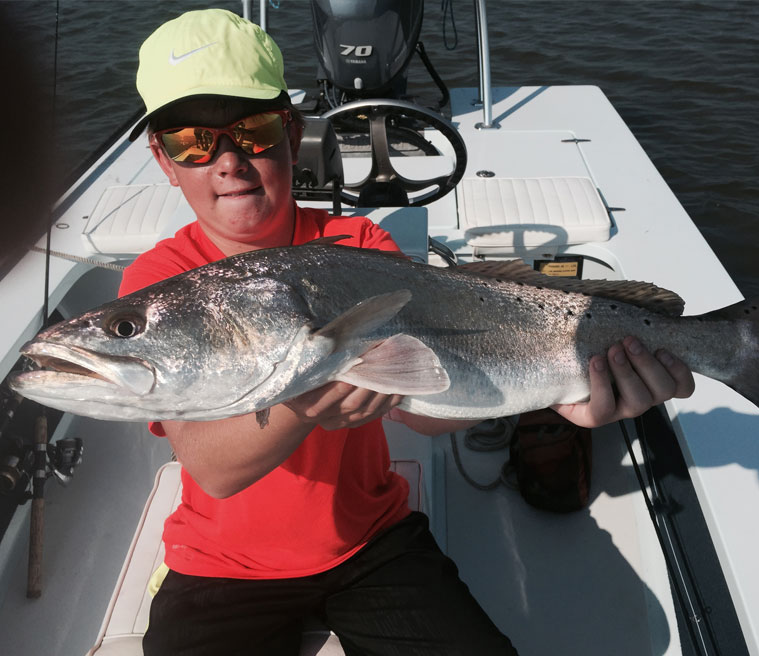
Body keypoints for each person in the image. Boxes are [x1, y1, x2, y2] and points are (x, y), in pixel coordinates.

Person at [121, 9, 695, 656]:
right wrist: (311, 396)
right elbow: (212, 469)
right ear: (164, 162)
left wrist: (558, 394)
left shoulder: (357, 243)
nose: (227, 162)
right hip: (219, 566)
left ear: (290, 132)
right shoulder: (159, 285)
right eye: (193, 143)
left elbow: (425, 410)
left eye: (250, 131)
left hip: (371, 540)